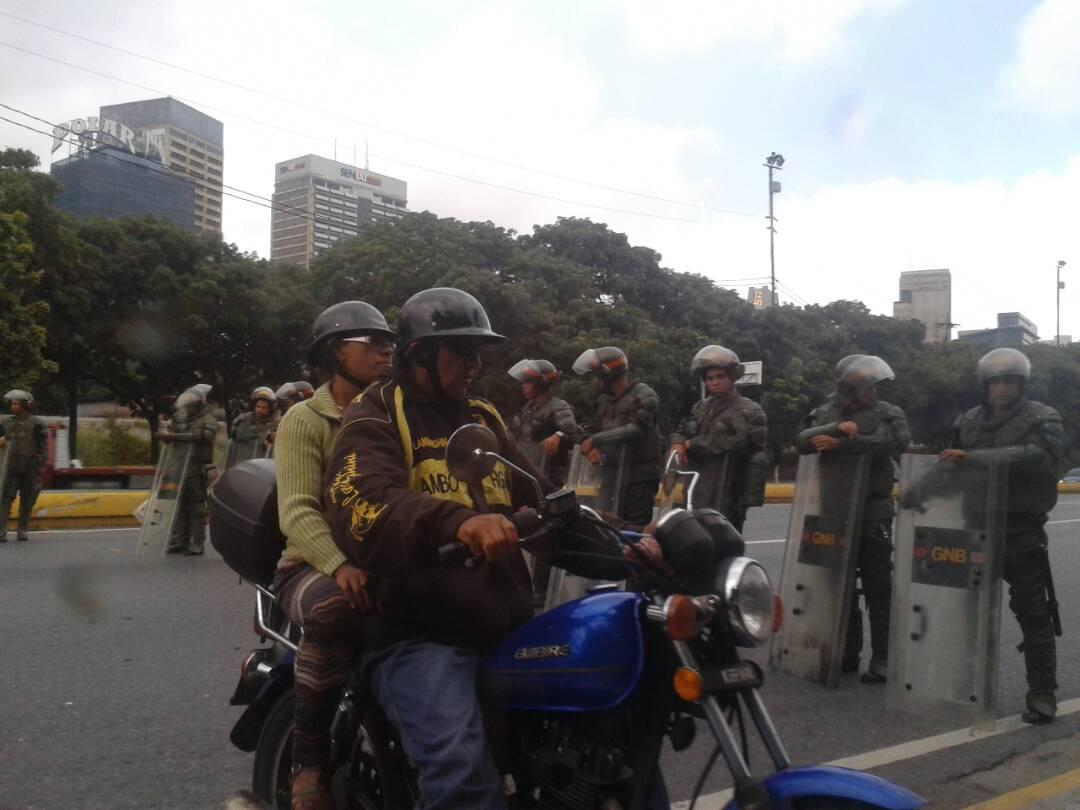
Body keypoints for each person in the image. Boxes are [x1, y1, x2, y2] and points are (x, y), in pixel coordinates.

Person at [324, 288, 557, 809]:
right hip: (418, 630)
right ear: (419, 354)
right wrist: (460, 523)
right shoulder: (375, 412)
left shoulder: (483, 418)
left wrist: (633, 540)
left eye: (479, 353)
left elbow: (539, 497)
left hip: (502, 622)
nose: (474, 364)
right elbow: (363, 506)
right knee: (462, 773)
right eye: (461, 351)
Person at [272, 301, 396, 810]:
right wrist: (339, 564)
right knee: (333, 609)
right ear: (334, 352)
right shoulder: (306, 419)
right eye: (370, 342)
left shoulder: (396, 412)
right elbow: (297, 511)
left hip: (383, 561)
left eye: (389, 341)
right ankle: (309, 764)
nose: (386, 349)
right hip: (310, 565)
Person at [942, 348, 1062, 724]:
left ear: (1022, 384)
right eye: (997, 381)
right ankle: (960, 685)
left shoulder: (1042, 417)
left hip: (1020, 529)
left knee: (1033, 613)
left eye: (1011, 380)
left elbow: (1037, 456)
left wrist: (975, 459)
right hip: (975, 529)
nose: (1004, 388)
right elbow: (950, 463)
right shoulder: (968, 421)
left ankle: (1042, 694)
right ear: (985, 386)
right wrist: (915, 495)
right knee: (965, 613)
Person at [796, 355, 910, 683]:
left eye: (873, 386)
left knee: (878, 585)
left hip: (872, 511)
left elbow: (896, 443)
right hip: (833, 511)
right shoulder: (825, 412)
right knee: (838, 586)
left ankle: (885, 657)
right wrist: (833, 429)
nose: (871, 392)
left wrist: (846, 443)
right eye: (864, 387)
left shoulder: (887, 412)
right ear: (846, 386)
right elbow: (801, 442)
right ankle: (847, 652)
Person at [668, 345, 768, 532]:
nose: (714, 382)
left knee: (724, 546)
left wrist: (692, 443)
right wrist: (677, 444)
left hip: (728, 491)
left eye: (720, 377)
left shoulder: (749, 410)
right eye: (709, 378)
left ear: (732, 376)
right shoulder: (700, 408)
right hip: (696, 488)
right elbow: (681, 430)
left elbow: (738, 441)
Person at [572, 346, 661, 527]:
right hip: (610, 476)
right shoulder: (604, 401)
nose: (594, 381)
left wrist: (596, 440)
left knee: (634, 530)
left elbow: (636, 430)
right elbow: (587, 428)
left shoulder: (644, 394)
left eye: (596, 375)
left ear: (608, 373)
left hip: (639, 478)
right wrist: (588, 443)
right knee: (606, 527)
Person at [157, 385, 219, 556]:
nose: (187, 407)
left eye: (191, 404)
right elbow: (173, 435)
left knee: (197, 506)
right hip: (178, 466)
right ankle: (179, 540)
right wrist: (169, 435)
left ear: (199, 404)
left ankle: (197, 542)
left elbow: (201, 436)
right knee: (179, 504)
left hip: (196, 467)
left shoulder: (208, 420)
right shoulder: (180, 419)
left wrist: (173, 436)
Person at [507, 358, 578, 483]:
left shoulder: (558, 405)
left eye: (528, 381)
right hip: (525, 469)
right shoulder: (528, 407)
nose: (523, 385)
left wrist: (558, 435)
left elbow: (573, 432)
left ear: (541, 382)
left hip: (547, 474)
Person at [0, 389, 48, 542]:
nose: (12, 406)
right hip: (10, 466)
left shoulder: (36, 424)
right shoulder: (5, 423)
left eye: (15, 403)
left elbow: (43, 445)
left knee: (28, 499)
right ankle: (1, 531)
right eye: (11, 403)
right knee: (5, 499)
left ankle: (22, 529)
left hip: (30, 466)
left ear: (25, 405)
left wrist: (42, 464)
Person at [227, 386, 277, 464]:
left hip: (262, 463)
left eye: (264, 408)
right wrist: (263, 429)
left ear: (270, 409)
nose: (260, 410)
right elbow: (240, 435)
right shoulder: (245, 418)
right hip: (241, 462)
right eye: (258, 406)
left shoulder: (275, 423)